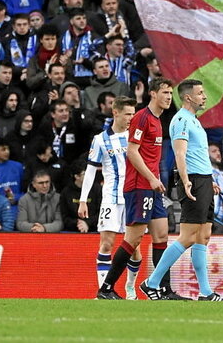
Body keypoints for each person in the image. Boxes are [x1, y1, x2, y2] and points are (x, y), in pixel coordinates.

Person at [97, 77, 186, 300]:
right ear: (153, 94)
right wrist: (152, 179)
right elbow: (132, 151)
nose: (168, 97)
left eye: (170, 93)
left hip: (152, 186)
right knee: (133, 239)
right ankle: (106, 288)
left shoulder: (158, 120)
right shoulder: (142, 118)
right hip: (139, 186)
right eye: (165, 92)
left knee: (162, 234)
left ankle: (162, 290)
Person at [140, 79, 223, 301]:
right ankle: (152, 282)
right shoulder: (181, 120)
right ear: (188, 97)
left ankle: (205, 292)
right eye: (200, 93)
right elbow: (179, 154)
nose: (204, 96)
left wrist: (210, 179)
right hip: (193, 181)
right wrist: (187, 181)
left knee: (203, 236)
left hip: (203, 179)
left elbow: (198, 154)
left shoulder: (194, 120)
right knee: (188, 236)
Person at [78, 96, 142, 299]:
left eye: (134, 113)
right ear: (115, 113)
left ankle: (130, 287)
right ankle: (103, 291)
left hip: (134, 197)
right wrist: (83, 200)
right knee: (106, 244)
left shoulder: (137, 135)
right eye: (128, 114)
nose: (132, 118)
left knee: (133, 248)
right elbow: (90, 171)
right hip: (111, 198)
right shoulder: (100, 140)